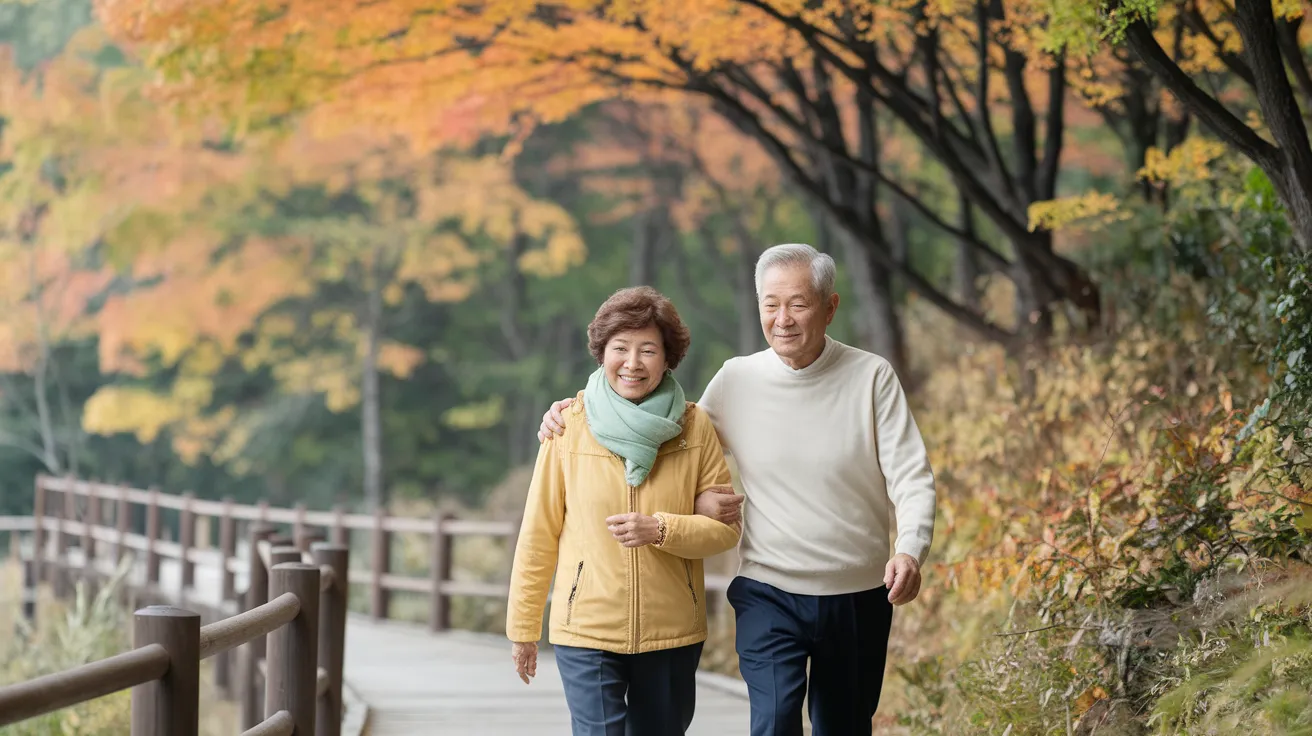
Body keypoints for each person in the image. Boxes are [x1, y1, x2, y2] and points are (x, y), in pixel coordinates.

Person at [538, 243, 937, 736]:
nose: (783, 319)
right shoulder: (737, 378)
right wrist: (577, 409)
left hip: (856, 593)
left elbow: (911, 474)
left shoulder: (871, 377)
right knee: (771, 723)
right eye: (770, 304)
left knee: (844, 725)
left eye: (798, 303)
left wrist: (910, 548)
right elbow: (667, 435)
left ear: (830, 307)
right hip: (768, 590)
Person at [507, 286, 742, 736]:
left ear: (668, 358)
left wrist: (661, 529)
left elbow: (725, 532)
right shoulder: (568, 426)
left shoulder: (694, 427)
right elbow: (538, 533)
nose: (633, 363)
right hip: (587, 628)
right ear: (602, 353)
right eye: (621, 348)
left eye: (648, 350)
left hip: (672, 631)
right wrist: (523, 626)